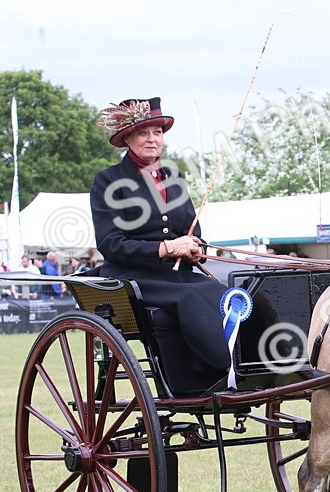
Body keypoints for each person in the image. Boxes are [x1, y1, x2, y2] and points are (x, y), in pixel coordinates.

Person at [90, 96, 233, 373]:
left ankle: (245, 364)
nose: (152, 139)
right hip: (131, 276)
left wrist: (195, 247)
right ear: (127, 138)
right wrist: (167, 248)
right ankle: (221, 369)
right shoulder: (108, 181)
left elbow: (191, 230)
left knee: (225, 294)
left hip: (175, 275)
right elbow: (110, 244)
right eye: (142, 133)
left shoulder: (173, 177)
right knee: (191, 297)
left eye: (157, 132)